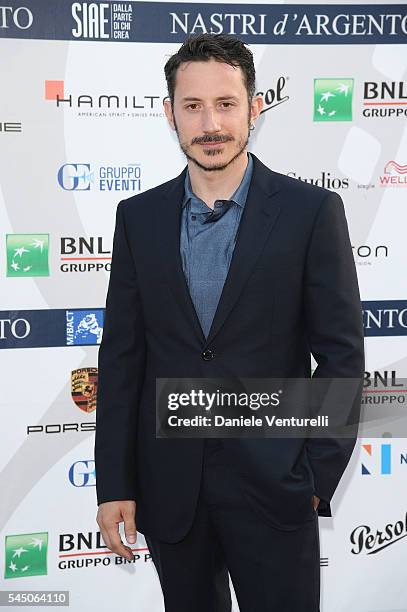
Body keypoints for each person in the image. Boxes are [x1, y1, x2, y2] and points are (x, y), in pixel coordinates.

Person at [95, 33, 365, 611]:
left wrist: (316, 476)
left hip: (276, 488)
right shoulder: (137, 218)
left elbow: (341, 353)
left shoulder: (311, 212)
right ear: (169, 114)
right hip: (170, 489)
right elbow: (121, 358)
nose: (210, 123)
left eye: (225, 104)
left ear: (254, 108)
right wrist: (115, 484)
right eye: (192, 106)